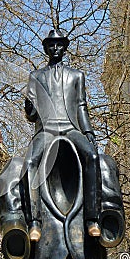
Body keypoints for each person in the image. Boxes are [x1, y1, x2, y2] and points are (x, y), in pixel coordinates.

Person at [22, 29, 101, 241]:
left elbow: (81, 107)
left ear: (64, 48)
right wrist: (29, 105)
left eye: (58, 45)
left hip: (71, 128)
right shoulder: (36, 77)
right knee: (29, 162)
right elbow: (31, 115)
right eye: (51, 45)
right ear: (46, 48)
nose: (55, 48)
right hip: (46, 129)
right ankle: (34, 222)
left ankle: (92, 219)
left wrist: (88, 131)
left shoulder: (77, 76)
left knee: (93, 157)